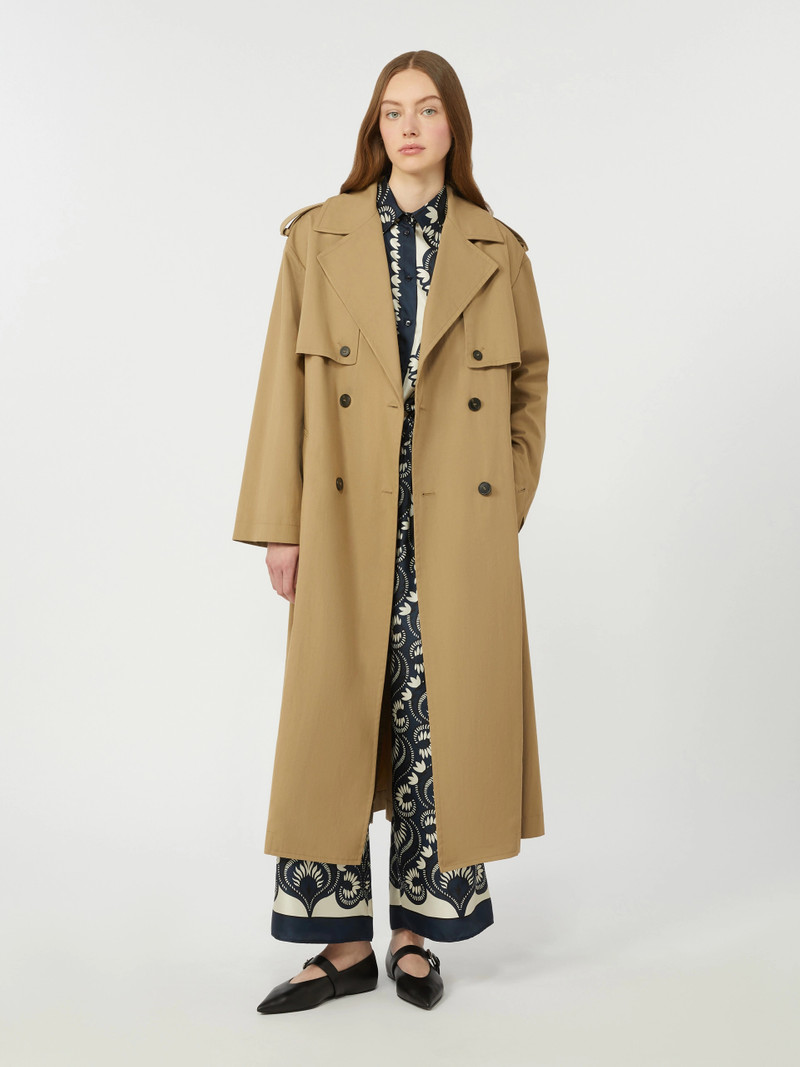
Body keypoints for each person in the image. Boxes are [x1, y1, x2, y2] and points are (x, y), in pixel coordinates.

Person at [232, 49, 550, 1014]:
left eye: (427, 109)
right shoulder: (317, 238)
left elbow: (530, 384)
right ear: (375, 128)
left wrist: (505, 499)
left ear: (454, 126)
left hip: (457, 530)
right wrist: (279, 525)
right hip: (341, 518)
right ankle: (339, 947)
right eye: (391, 111)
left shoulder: (498, 249)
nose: (409, 127)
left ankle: (414, 936)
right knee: (334, 721)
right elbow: (281, 388)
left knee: (437, 722)